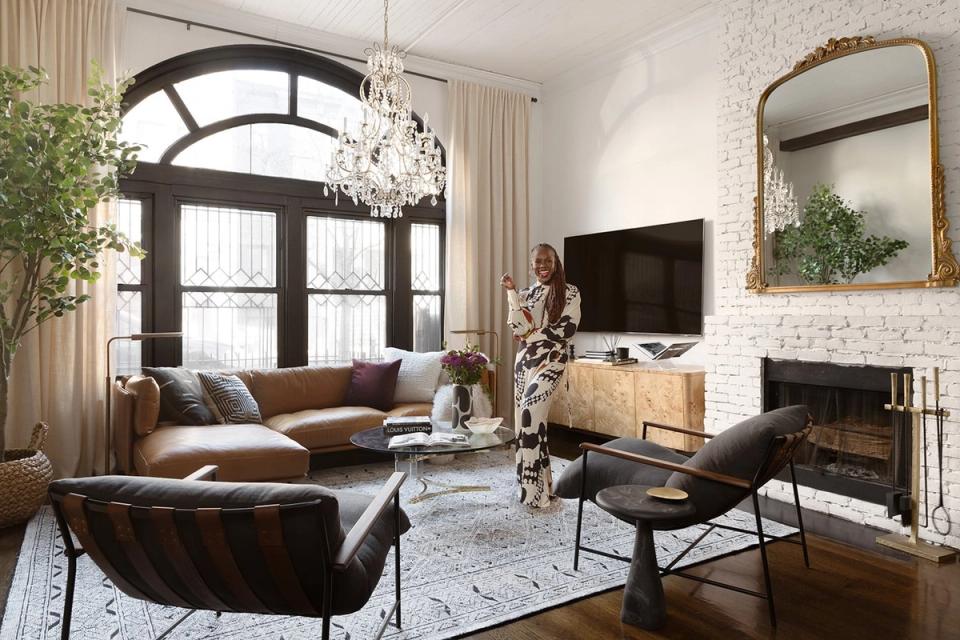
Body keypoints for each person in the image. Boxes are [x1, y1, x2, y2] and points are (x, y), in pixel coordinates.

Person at [500, 243, 581, 507]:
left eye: (547, 260)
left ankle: (534, 492)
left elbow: (566, 329)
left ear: (555, 262)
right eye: (537, 261)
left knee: (530, 412)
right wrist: (512, 292)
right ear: (531, 264)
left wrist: (532, 334)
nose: (542, 265)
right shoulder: (526, 293)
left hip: (553, 360)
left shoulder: (570, 292)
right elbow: (517, 324)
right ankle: (538, 489)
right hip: (524, 362)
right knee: (529, 424)